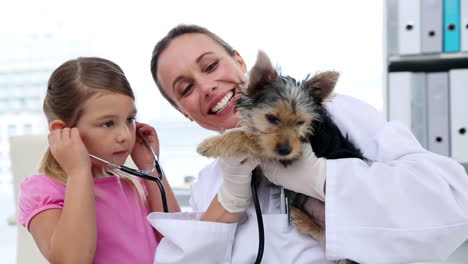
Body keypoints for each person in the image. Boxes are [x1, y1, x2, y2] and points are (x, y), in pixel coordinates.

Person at [147, 24, 468, 263]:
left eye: (211, 65)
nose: (206, 86)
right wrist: (229, 199)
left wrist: (323, 178)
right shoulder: (210, 186)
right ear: (183, 112)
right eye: (186, 88)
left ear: (241, 62)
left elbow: (451, 205)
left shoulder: (334, 113)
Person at [18, 57, 180, 264]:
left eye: (130, 120)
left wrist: (151, 168)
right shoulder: (43, 190)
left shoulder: (133, 184)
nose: (124, 135)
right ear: (63, 131)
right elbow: (71, 260)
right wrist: (79, 173)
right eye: (107, 124)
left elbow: (177, 243)